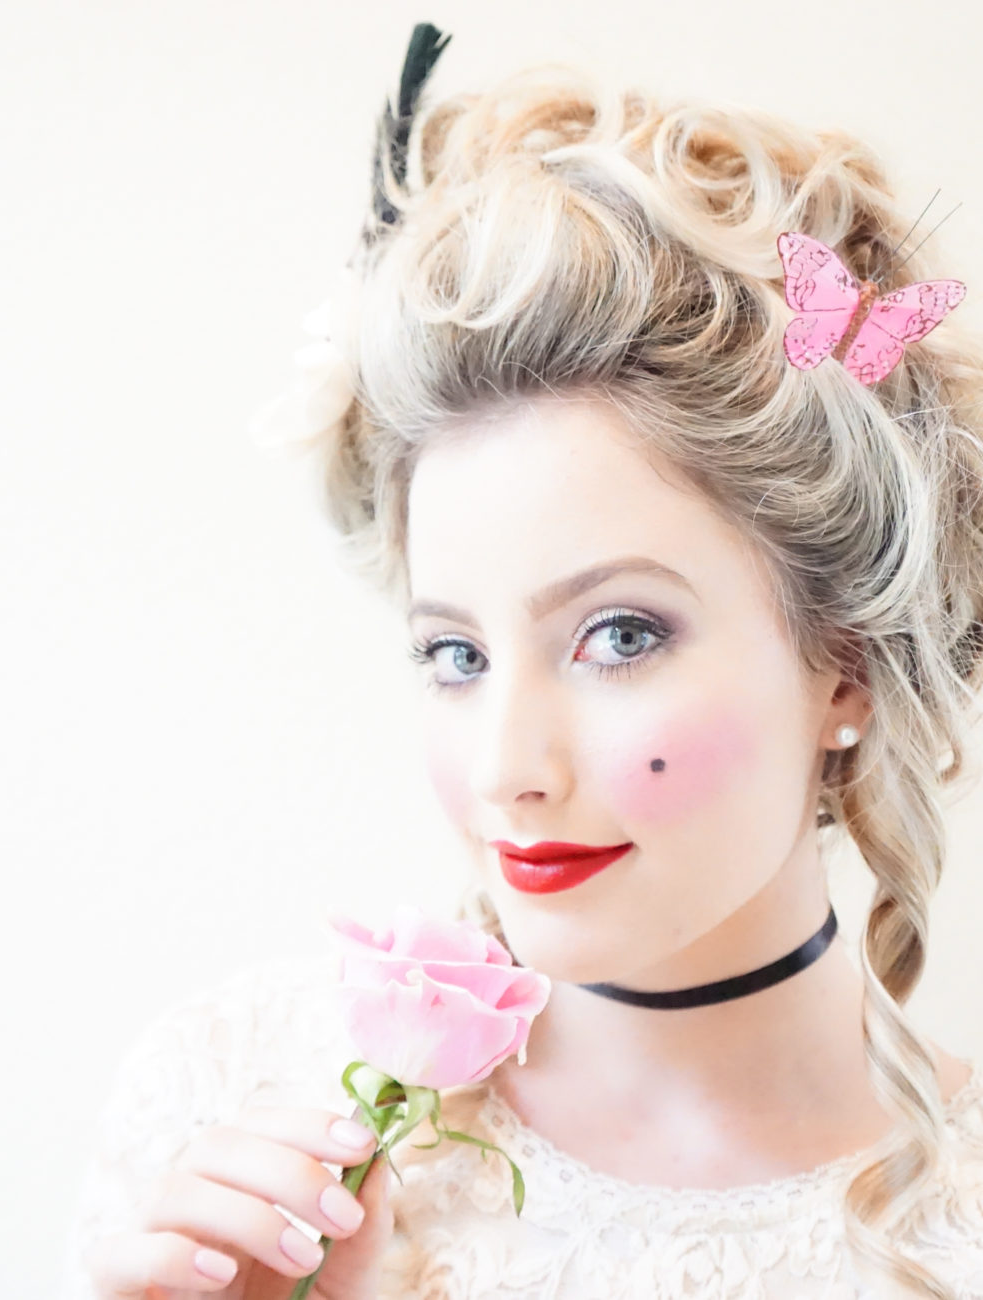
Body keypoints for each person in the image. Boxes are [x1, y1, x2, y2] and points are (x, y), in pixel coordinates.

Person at [64, 22, 983, 1300]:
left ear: (848, 664)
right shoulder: (229, 1109)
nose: (506, 767)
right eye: (455, 652)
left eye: (620, 636)